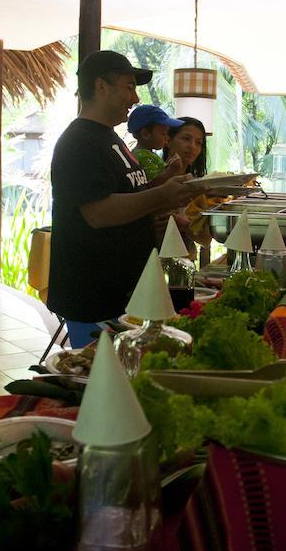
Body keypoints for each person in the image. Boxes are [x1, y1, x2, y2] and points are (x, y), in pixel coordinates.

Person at [48, 50, 197, 347]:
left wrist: (169, 193)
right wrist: (162, 195)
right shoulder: (79, 141)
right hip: (93, 294)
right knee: (101, 383)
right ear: (101, 86)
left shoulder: (111, 138)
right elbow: (98, 212)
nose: (135, 98)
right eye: (129, 87)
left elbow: (131, 196)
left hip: (122, 291)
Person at [162, 117, 222, 258]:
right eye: (186, 139)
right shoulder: (153, 177)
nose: (192, 147)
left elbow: (205, 239)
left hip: (184, 259)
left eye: (198, 143)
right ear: (168, 140)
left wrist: (184, 226)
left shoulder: (198, 186)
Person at [127, 104, 185, 185]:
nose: (167, 138)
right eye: (163, 133)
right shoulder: (144, 156)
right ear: (145, 134)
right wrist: (171, 170)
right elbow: (153, 184)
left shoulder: (144, 154)